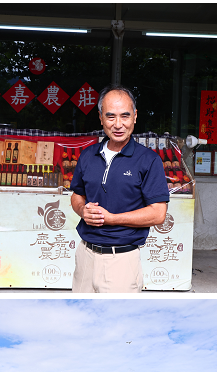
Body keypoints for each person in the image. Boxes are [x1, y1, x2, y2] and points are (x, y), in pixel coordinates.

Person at [70, 84, 169, 292]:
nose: (118, 124)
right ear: (100, 118)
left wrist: (112, 219)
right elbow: (77, 195)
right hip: (85, 255)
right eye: (110, 116)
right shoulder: (88, 155)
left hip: (121, 259)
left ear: (134, 116)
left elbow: (158, 214)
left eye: (125, 116)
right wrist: (82, 210)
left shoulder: (148, 160)